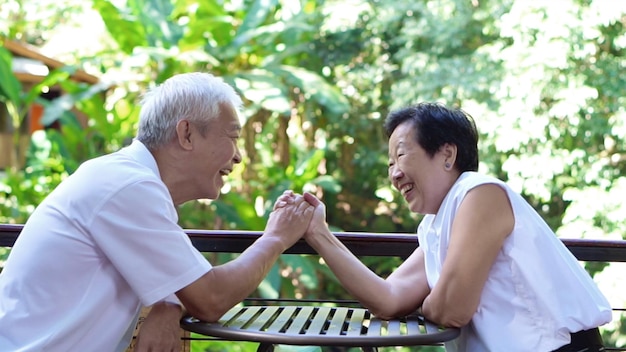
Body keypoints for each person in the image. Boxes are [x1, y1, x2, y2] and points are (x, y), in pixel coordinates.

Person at [0, 72, 315, 351]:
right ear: (186, 134)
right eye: (232, 137)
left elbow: (184, 281)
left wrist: (169, 303)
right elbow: (211, 298)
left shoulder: (126, 178)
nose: (238, 157)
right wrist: (275, 238)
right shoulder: (129, 187)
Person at [291, 102, 612, 351]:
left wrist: (428, 303)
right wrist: (319, 234)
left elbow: (452, 310)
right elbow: (388, 299)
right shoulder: (437, 222)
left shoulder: (480, 192)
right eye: (390, 163)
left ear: (447, 154)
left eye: (401, 155)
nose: (394, 174)